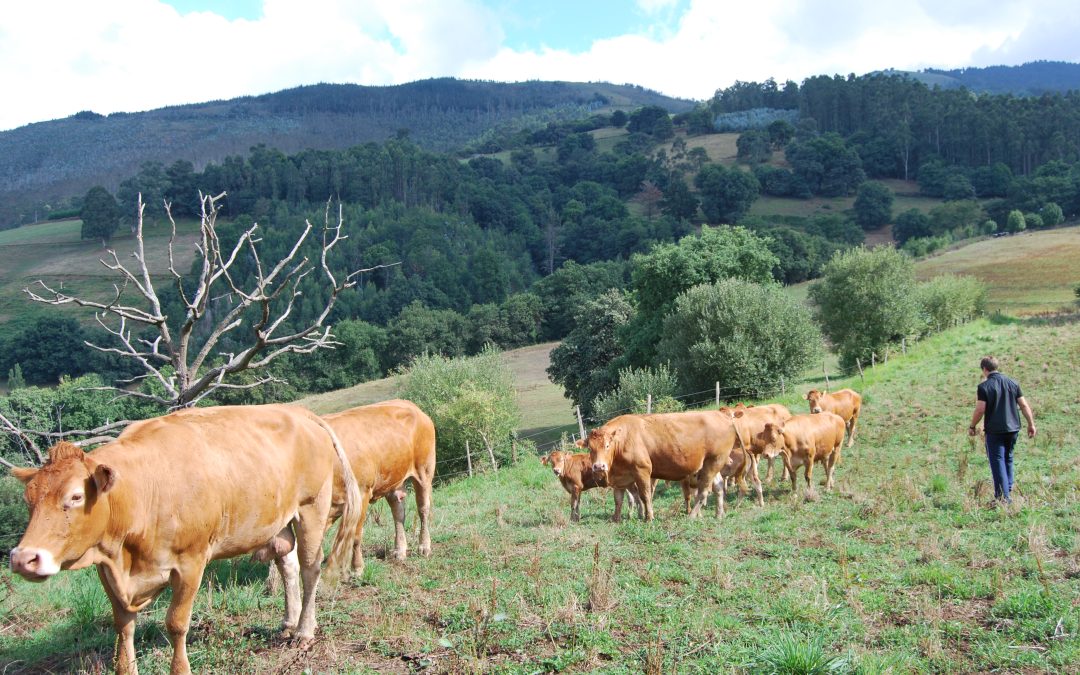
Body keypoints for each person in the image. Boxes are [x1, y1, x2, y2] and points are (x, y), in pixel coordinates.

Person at [969, 356, 1036, 504]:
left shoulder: (984, 387)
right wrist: (1031, 424)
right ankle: (1007, 489)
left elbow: (980, 410)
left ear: (984, 369)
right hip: (1013, 429)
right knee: (1008, 458)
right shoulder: (1013, 383)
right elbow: (1024, 406)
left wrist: (972, 426)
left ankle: (1003, 497)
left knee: (997, 461)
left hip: (995, 431)